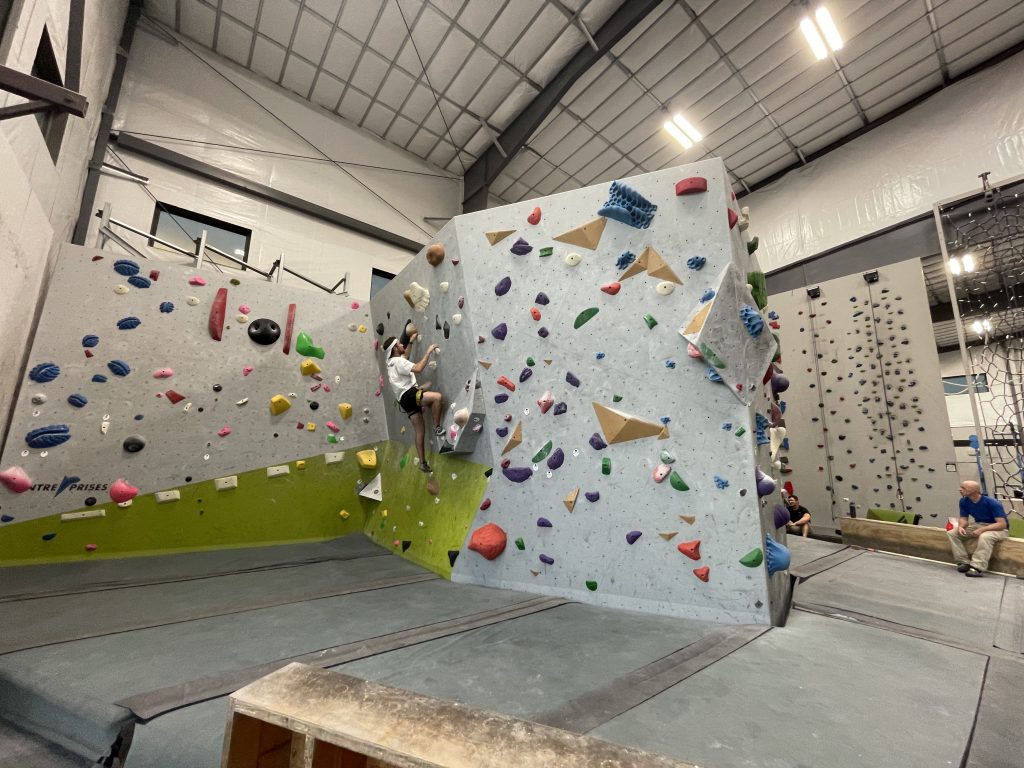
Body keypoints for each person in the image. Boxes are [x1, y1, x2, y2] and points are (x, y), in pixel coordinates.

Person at [383, 332, 444, 473]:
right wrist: (428, 351)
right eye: (399, 344)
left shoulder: (391, 364)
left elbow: (405, 357)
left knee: (419, 431)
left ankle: (422, 462)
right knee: (437, 398)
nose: (401, 344)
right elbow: (417, 368)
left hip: (404, 402)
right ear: (394, 349)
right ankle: (437, 428)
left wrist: (411, 341)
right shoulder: (398, 362)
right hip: (410, 395)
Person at [947, 480, 1008, 577]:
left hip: (998, 529)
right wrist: (960, 527)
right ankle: (963, 562)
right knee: (952, 533)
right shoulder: (963, 501)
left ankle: (977, 567)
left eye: (963, 488)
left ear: (974, 490)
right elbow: (963, 518)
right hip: (979, 524)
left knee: (985, 536)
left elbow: (1002, 524)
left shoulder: (992, 503)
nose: (960, 490)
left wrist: (982, 530)